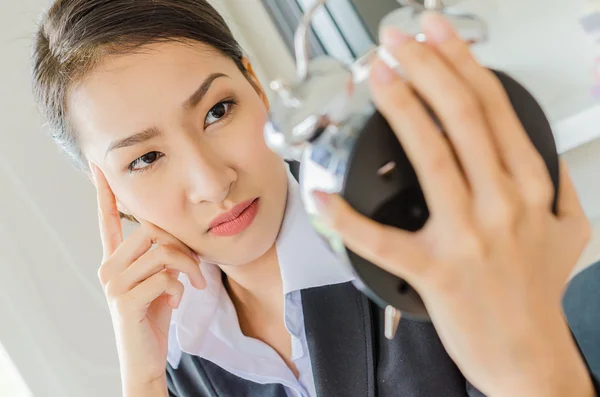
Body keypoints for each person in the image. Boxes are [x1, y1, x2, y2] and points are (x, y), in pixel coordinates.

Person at [31, 1, 598, 396]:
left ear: (257, 86)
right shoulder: (176, 347)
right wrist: (144, 381)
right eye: (145, 159)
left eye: (217, 111)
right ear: (107, 192)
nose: (211, 182)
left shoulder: (424, 226)